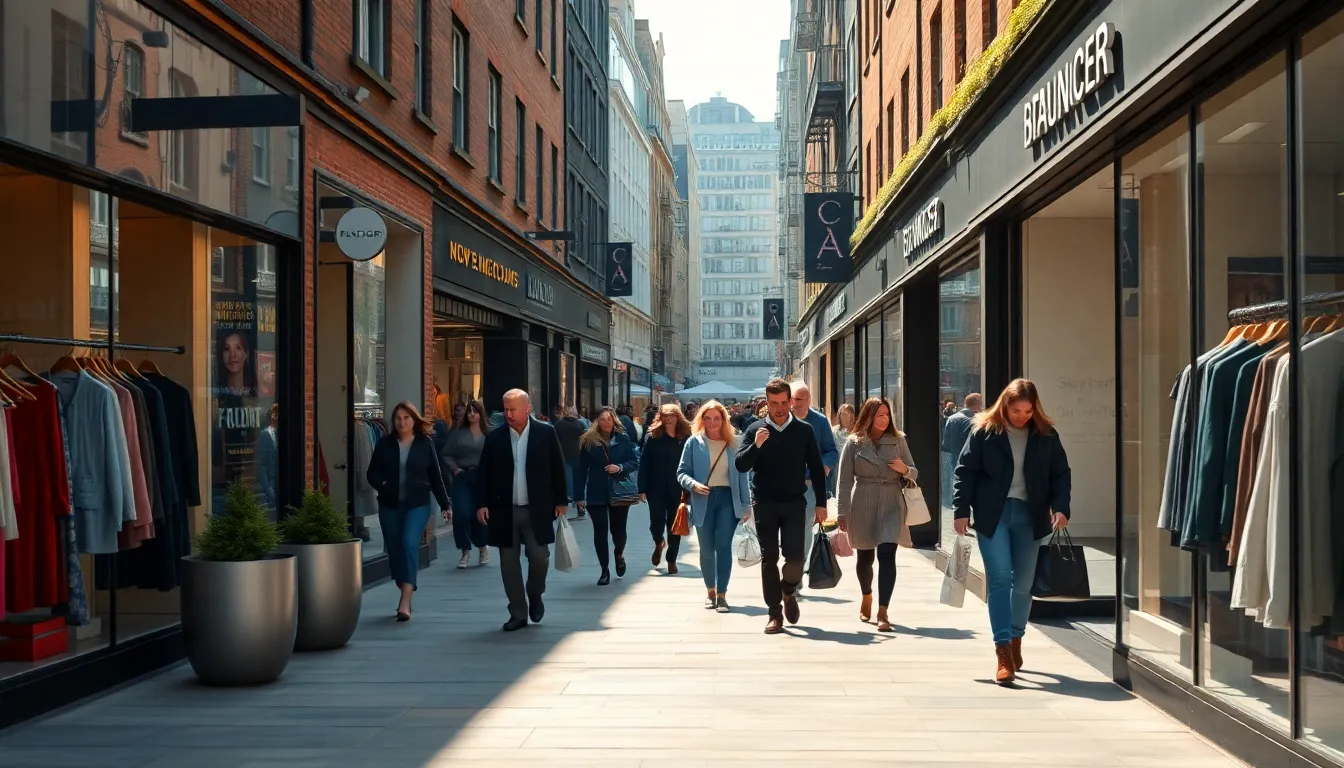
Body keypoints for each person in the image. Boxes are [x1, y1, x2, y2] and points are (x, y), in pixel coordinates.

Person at [953, 379, 1071, 684]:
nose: (1022, 416)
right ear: (1005, 404)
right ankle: (1002, 649)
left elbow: (1061, 473)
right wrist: (961, 510)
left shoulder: (1046, 435)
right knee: (1001, 578)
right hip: (995, 515)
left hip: (1031, 517)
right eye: (1016, 410)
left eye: (1028, 411)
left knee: (1023, 585)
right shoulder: (985, 432)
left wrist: (1060, 507)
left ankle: (1017, 637)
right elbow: (965, 471)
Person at [736, 379, 827, 634]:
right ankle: (774, 613)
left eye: (783, 403)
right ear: (767, 402)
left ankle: (788, 591)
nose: (779, 408)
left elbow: (818, 470)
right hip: (764, 502)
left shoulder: (804, 430)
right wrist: (756, 446)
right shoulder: (755, 429)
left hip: (795, 502)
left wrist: (821, 503)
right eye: (773, 403)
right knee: (769, 558)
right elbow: (740, 465)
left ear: (790, 402)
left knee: (796, 557)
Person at [476, 389, 569, 631]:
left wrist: (562, 500)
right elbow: (484, 473)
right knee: (508, 563)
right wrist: (482, 503)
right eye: (505, 409)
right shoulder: (495, 438)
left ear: (527, 408)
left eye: (512, 409)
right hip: (504, 510)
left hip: (536, 508)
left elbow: (558, 467)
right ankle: (517, 612)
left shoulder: (545, 433)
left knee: (540, 557)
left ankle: (535, 593)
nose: (508, 414)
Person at [835, 397, 918, 632]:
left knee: (887, 553)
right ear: (869, 417)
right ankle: (867, 594)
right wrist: (842, 512)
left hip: (892, 500)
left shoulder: (898, 440)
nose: (884, 419)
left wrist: (905, 470)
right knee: (865, 558)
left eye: (887, 415)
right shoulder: (854, 443)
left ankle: (883, 610)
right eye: (879, 415)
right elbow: (844, 481)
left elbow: (914, 471)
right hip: (863, 499)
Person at [366, 401, 451, 622]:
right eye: (398, 418)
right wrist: (383, 485)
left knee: (408, 543)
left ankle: (405, 599)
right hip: (390, 505)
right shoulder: (385, 444)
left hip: (418, 504)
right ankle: (405, 584)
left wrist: (445, 504)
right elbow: (371, 473)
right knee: (394, 550)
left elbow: (435, 476)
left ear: (414, 420)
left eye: (406, 418)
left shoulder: (425, 444)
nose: (402, 422)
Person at [679, 399, 752, 612]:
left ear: (723, 420)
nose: (712, 423)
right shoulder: (693, 442)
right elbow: (681, 472)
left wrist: (746, 505)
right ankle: (710, 591)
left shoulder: (734, 443)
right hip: (703, 499)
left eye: (717, 418)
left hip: (727, 500)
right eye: (708, 418)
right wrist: (693, 485)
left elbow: (742, 476)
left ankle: (722, 594)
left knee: (723, 547)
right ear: (702, 420)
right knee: (706, 549)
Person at [575, 407, 640, 585]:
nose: (606, 423)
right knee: (600, 530)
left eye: (609, 419)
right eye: (602, 419)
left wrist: (619, 467)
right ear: (596, 421)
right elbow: (581, 469)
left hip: (619, 490)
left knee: (618, 530)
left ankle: (619, 553)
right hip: (596, 491)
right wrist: (579, 495)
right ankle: (604, 569)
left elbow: (633, 462)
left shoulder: (622, 439)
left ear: (614, 421)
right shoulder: (588, 441)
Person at [789, 382, 839, 572]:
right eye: (792, 399)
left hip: (809, 487)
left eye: (799, 399)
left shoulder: (819, 421)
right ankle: (791, 568)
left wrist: (825, 466)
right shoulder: (782, 419)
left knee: (803, 532)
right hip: (783, 487)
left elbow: (831, 451)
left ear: (809, 400)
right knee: (787, 533)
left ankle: (796, 578)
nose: (795, 403)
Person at [640, 402, 691, 574]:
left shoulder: (685, 437)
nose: (668, 419)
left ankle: (671, 560)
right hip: (655, 487)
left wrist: (690, 487)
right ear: (660, 418)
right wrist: (642, 488)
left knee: (674, 525)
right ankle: (658, 542)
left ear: (678, 417)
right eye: (665, 416)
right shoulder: (653, 436)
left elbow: (691, 463)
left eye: (672, 416)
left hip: (678, 487)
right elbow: (644, 463)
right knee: (656, 522)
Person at [443, 400, 490, 568]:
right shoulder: (458, 433)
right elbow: (446, 453)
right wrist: (455, 469)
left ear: (481, 414)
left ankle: (482, 546)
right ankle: (464, 550)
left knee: (480, 514)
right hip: (462, 476)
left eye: (475, 411)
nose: (472, 414)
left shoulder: (487, 433)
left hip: (481, 477)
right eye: (469, 411)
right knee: (462, 513)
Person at [941, 393, 982, 510]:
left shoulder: (952, 418)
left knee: (954, 481)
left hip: (950, 454)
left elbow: (945, 439)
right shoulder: (973, 420)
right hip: (966, 456)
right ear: (978, 404)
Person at [553, 406, 587, 519]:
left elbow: (554, 439)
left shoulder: (558, 424)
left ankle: (565, 504)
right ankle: (580, 505)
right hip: (578, 455)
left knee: (566, 481)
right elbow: (585, 439)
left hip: (563, 455)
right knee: (579, 481)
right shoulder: (580, 424)